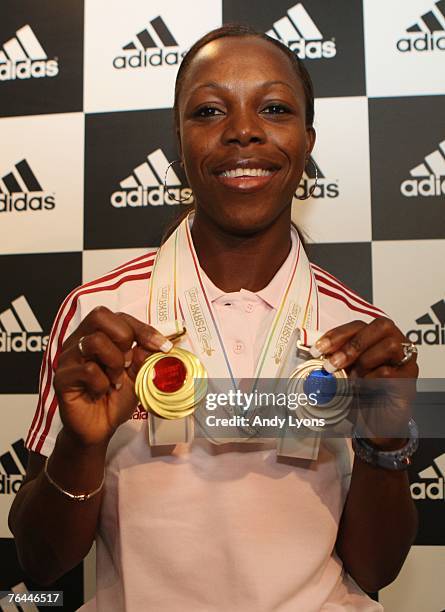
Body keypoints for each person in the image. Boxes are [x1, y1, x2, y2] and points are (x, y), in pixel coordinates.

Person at [9, 25, 419, 612]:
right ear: (179, 141)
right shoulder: (101, 316)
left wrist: (383, 444)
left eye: (273, 108)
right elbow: (40, 560)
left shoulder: (359, 332)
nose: (244, 129)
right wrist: (81, 442)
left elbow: (376, 569)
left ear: (307, 140)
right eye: (208, 111)